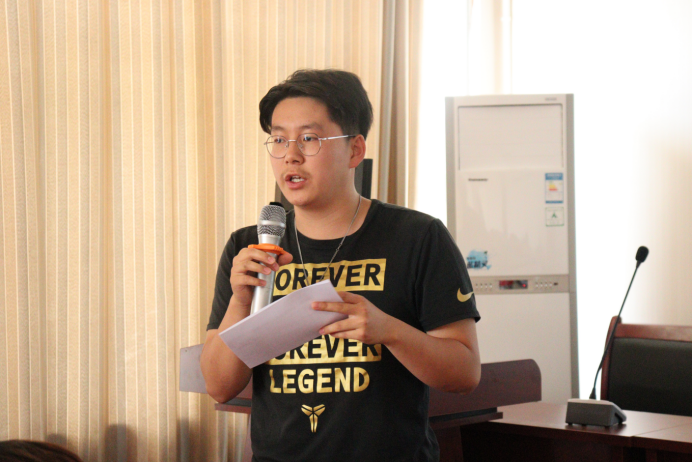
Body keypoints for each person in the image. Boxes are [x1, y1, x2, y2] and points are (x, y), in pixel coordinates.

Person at [201, 69, 480, 462]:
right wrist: (240, 302)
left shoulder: (417, 237)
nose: (290, 155)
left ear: (355, 150)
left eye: (309, 138)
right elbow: (218, 386)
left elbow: (465, 373)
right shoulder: (249, 247)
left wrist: (389, 331)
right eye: (279, 139)